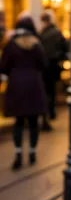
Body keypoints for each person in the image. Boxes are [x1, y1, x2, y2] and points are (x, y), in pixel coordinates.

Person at [0, 16, 47, 170]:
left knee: (18, 122)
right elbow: (44, 64)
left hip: (16, 85)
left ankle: (18, 153)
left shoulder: (11, 45)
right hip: (34, 85)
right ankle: (32, 152)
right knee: (33, 122)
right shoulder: (36, 44)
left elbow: (4, 66)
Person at [39, 11, 68, 130]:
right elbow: (65, 48)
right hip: (52, 67)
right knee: (50, 91)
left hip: (44, 68)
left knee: (46, 92)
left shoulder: (42, 33)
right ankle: (50, 113)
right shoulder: (56, 33)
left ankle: (47, 114)